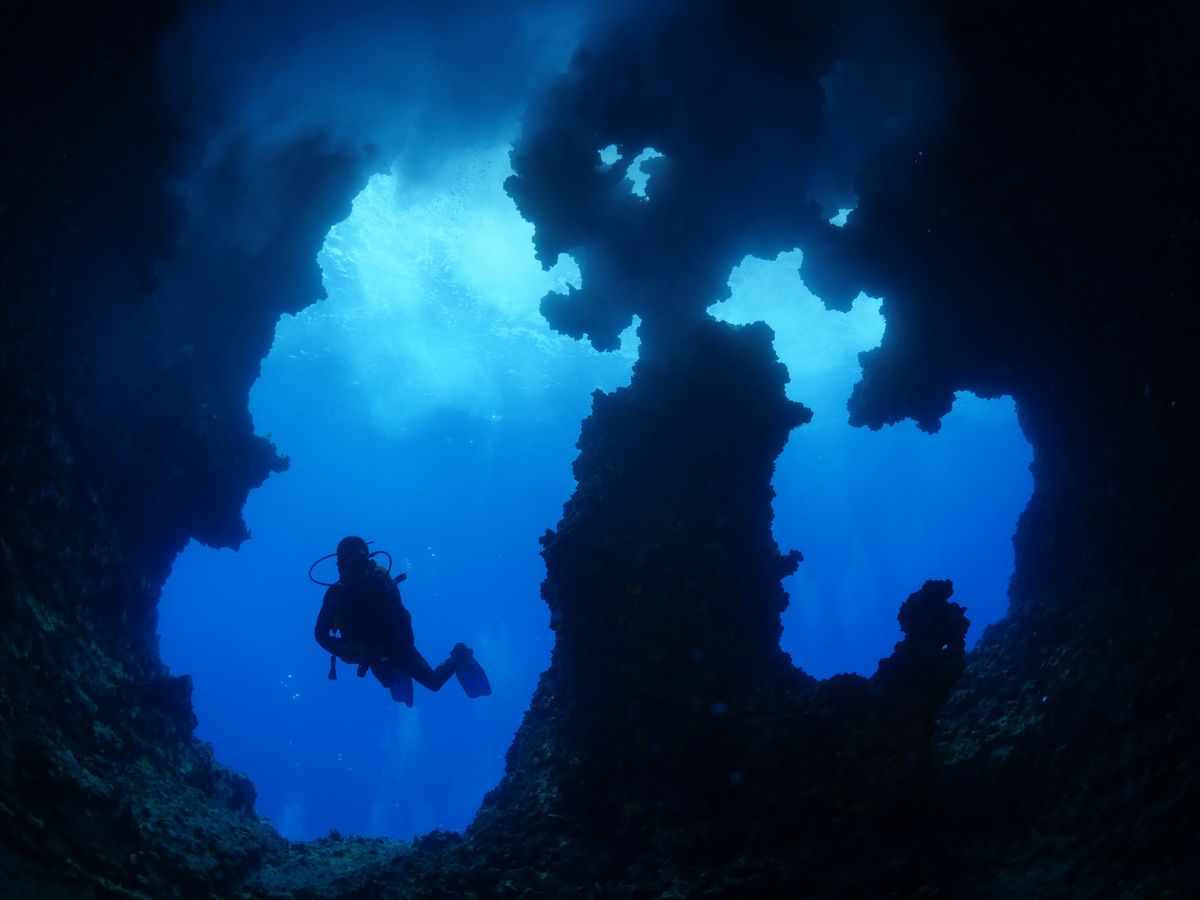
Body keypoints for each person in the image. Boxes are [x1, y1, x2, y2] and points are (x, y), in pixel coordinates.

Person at [313, 535, 491, 706]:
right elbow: (320, 635)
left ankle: (460, 654)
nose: (355, 572)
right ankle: (395, 670)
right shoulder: (335, 596)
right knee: (387, 682)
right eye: (349, 566)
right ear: (340, 568)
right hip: (368, 652)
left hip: (397, 647)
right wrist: (343, 649)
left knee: (434, 683)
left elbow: (405, 628)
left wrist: (387, 653)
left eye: (358, 564)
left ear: (367, 563)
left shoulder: (381, 587)